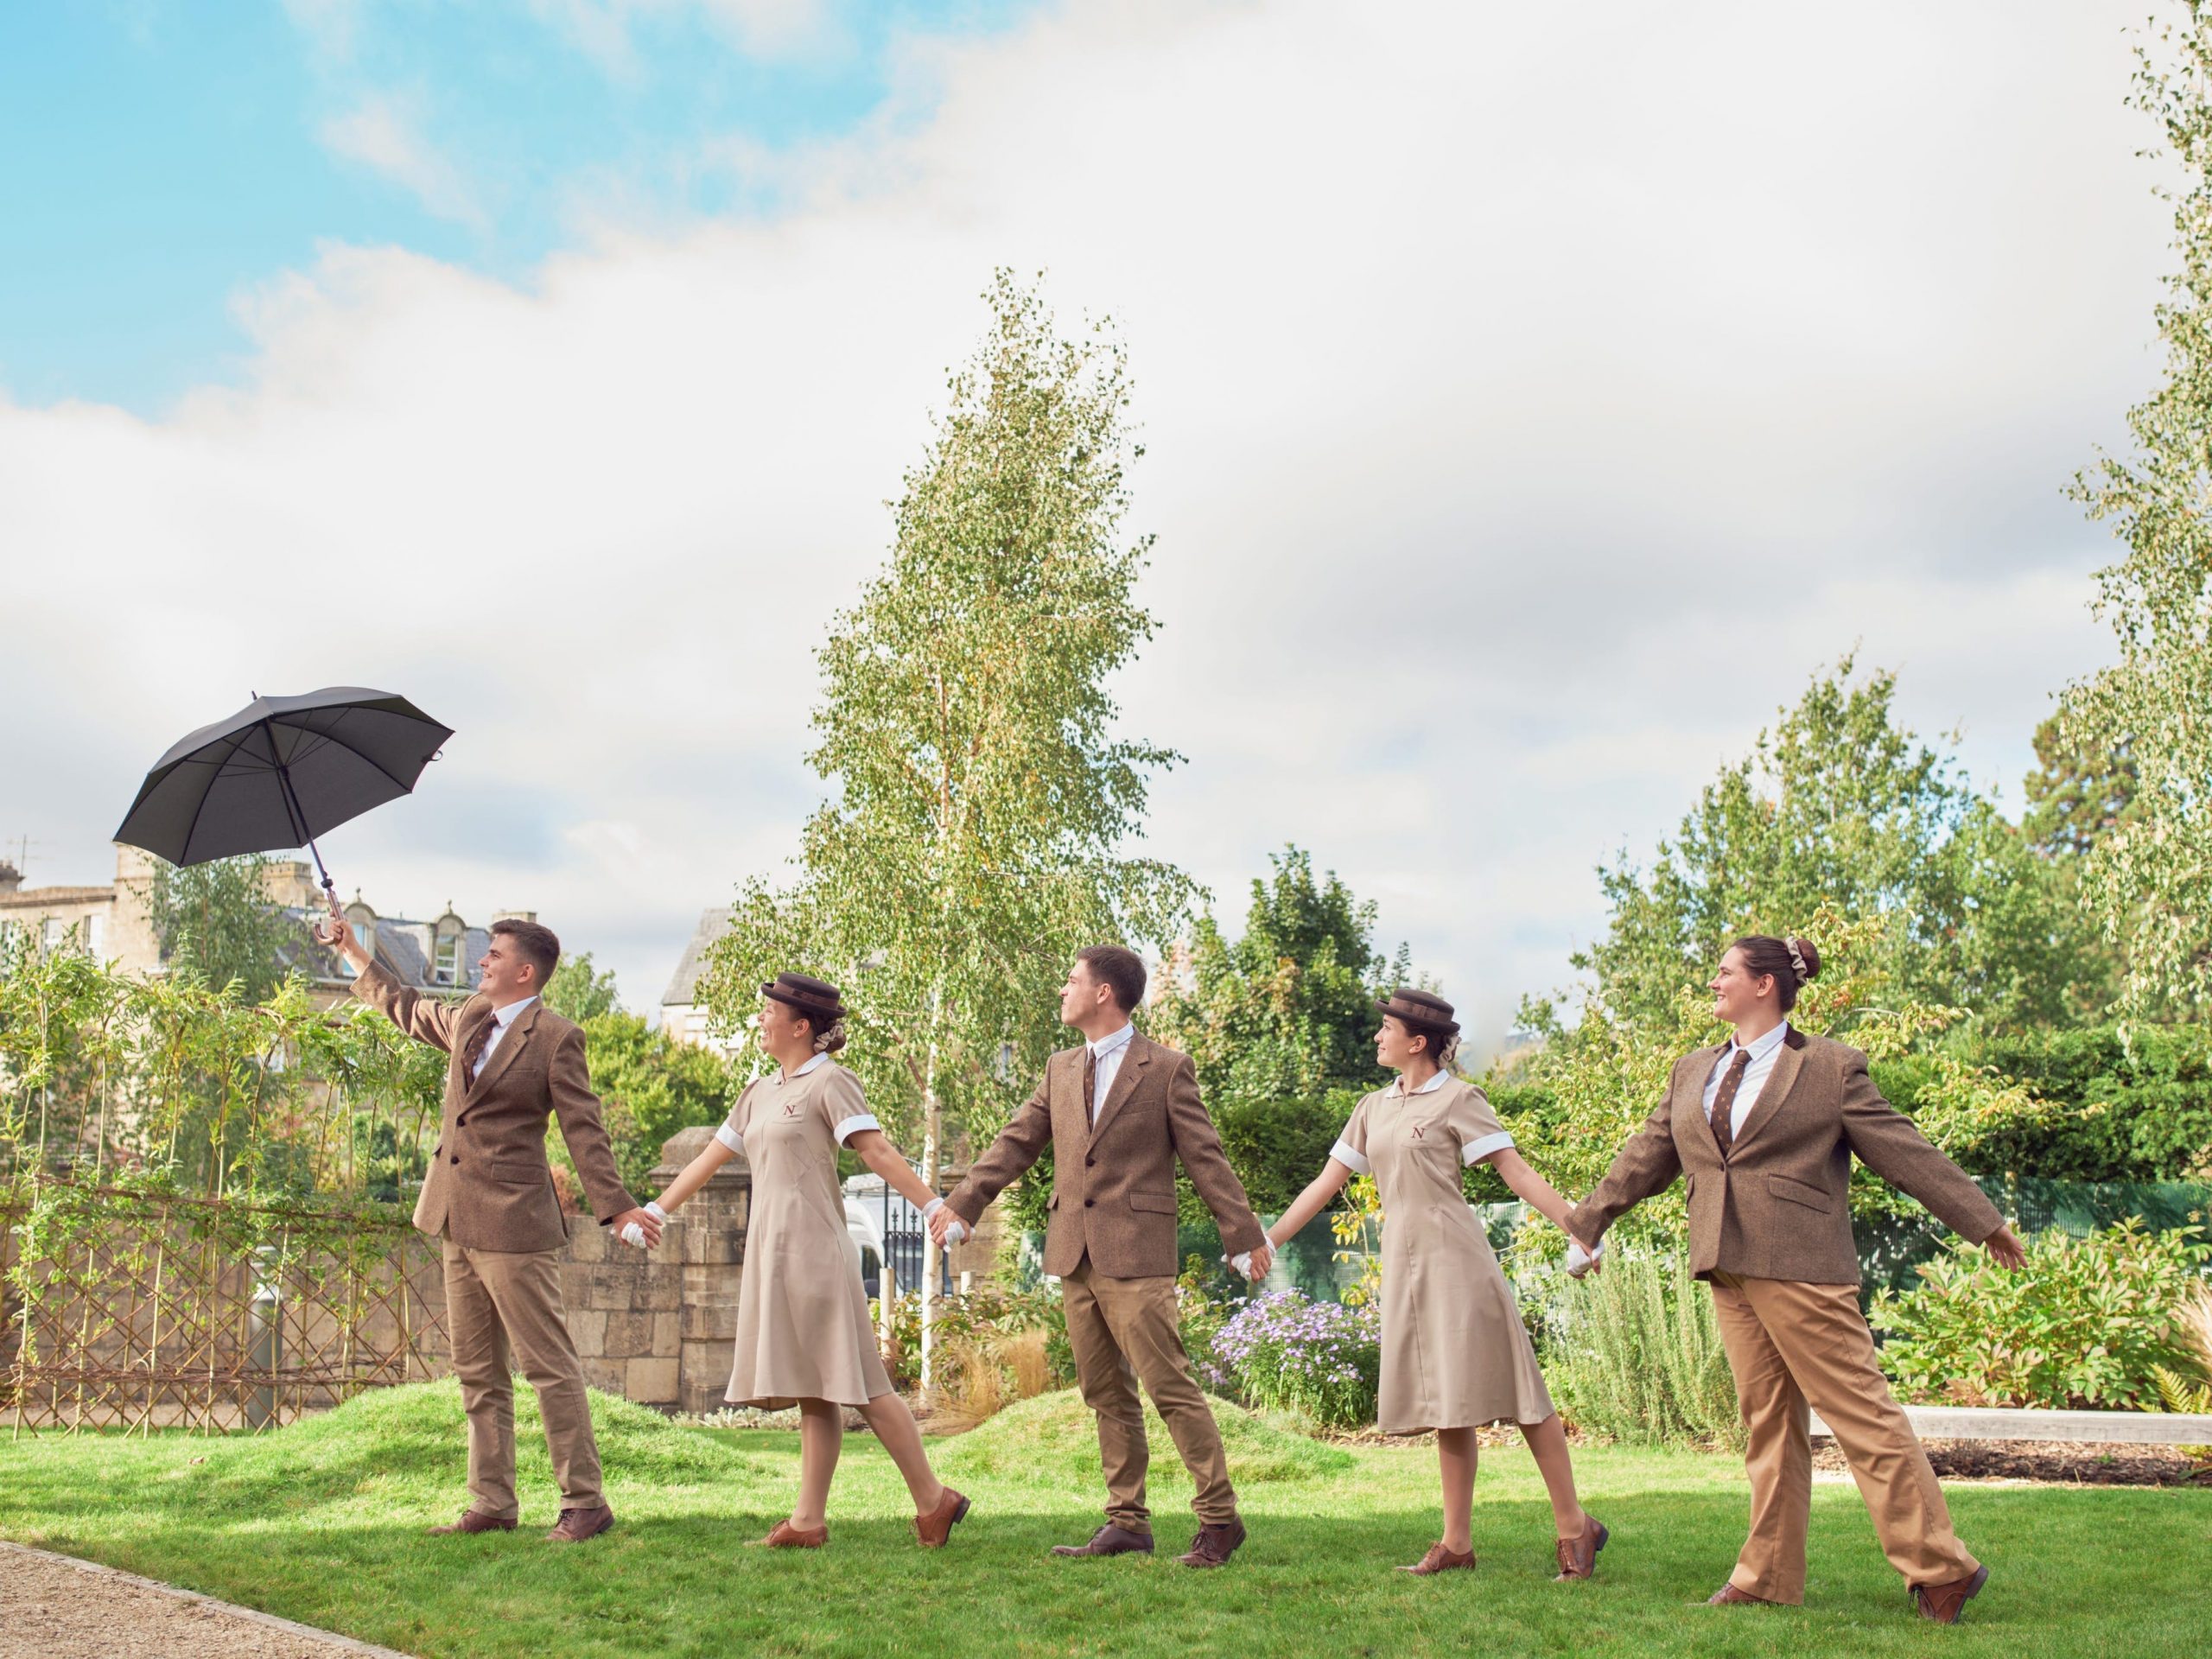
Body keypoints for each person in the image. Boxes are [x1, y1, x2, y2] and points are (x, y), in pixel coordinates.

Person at [1564, 934, 2029, 1624]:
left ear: (1765, 985)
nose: (1714, 981)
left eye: (1726, 971)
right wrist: (1588, 1221)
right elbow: (1648, 1152)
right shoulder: (1692, 1069)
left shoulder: (1829, 1068)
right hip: (1727, 1264)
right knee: (1769, 1426)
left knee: (1861, 1417)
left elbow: (1903, 1149)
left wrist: (1982, 1222)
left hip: (1803, 1266)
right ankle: (1766, 1576)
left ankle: (1942, 1567)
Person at [320, 906, 660, 1542]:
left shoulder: (558, 1038)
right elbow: (410, 1009)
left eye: (494, 954)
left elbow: (584, 1129)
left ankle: (585, 1502)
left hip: (516, 1225)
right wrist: (354, 954)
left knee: (548, 1367)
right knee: (477, 1371)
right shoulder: (473, 1017)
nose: (483, 960)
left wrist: (615, 1207)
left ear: (525, 972)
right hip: (454, 1215)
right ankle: (492, 1503)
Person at [927, 945, 1273, 1567]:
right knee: (1105, 1393)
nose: (1063, 990)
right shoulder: (1061, 1068)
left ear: (1105, 993)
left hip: (1138, 1253)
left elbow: (1206, 1157)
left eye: (1072, 980)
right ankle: (1127, 1522)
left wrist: (1243, 1236)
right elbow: (1015, 1142)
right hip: (1074, 1253)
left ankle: (1220, 1520)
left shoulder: (1166, 1068)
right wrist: (963, 1204)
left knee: (1170, 1387)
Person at [1264, 988, 1605, 1579]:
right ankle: (1456, 1543)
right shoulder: (1372, 1107)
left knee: (1523, 1396)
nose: (1376, 1037)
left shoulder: (1460, 1100)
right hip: (1406, 1268)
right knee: (1449, 1405)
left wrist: (1582, 1228)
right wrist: (1268, 1242)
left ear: (1417, 1042)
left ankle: (1576, 1529)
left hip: (1460, 1264)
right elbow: (1325, 1184)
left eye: (1386, 1029)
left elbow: (1516, 1173)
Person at [638, 972, 969, 1550]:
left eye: (769, 1012)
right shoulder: (758, 1092)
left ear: (801, 1025)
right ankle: (809, 1521)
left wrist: (936, 1206)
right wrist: (654, 1212)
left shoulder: (831, 1083)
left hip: (817, 1250)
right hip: (774, 1253)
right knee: (815, 1388)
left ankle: (933, 1500)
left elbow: (878, 1152)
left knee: (860, 1382)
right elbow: (708, 1161)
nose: (760, 1020)